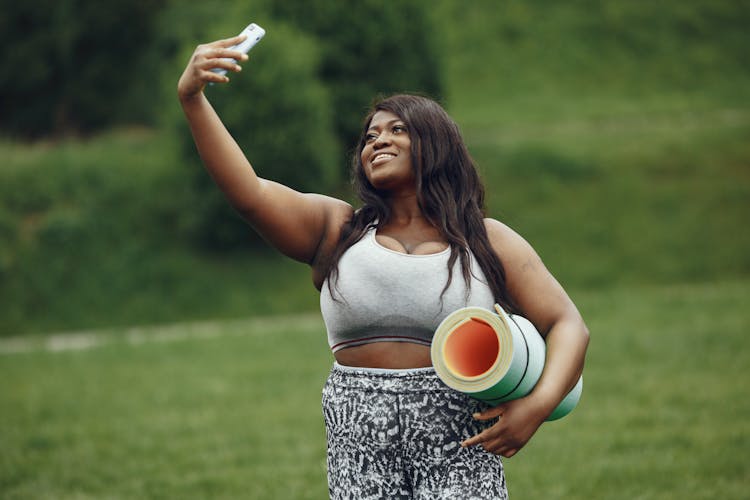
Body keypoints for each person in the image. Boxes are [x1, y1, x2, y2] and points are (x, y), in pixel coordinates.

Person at [178, 34, 590, 500]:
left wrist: (535, 408)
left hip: (459, 439)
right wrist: (192, 99)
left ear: (436, 143)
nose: (378, 141)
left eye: (397, 130)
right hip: (359, 439)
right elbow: (249, 194)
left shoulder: (485, 238)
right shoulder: (337, 229)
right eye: (370, 136)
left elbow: (567, 324)